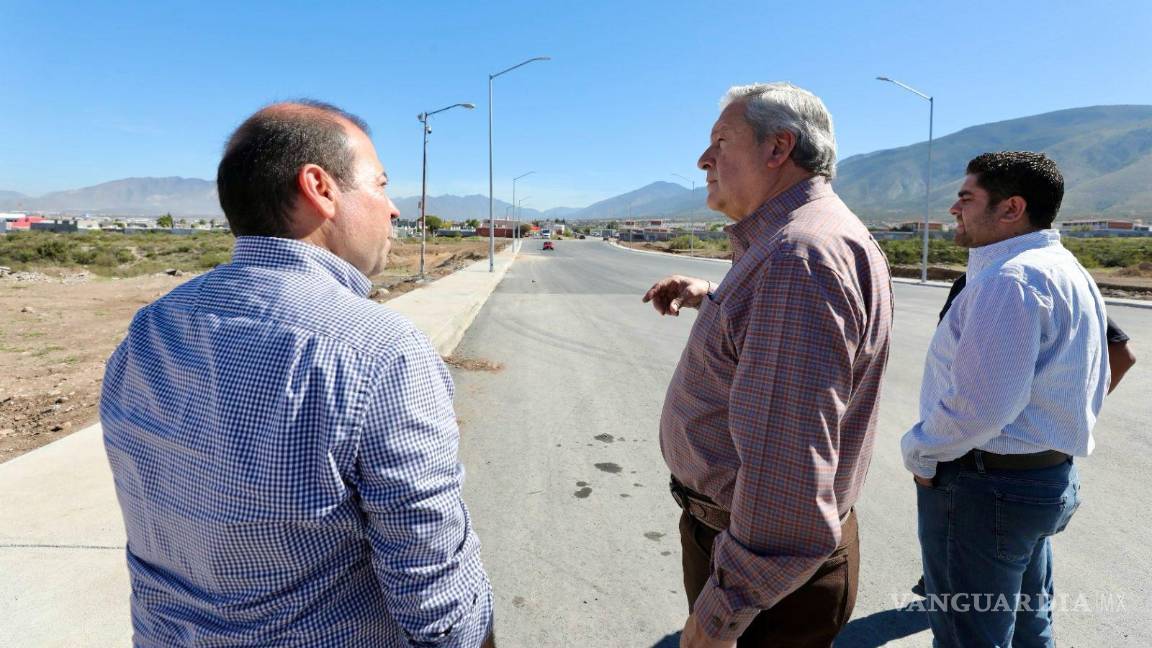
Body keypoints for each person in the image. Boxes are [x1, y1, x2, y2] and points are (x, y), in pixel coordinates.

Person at [101, 101, 494, 647]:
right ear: (320, 188)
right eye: (380, 185)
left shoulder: (149, 331)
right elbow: (433, 586)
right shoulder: (380, 351)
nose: (395, 209)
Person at [643, 82, 893, 647]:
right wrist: (714, 293)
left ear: (778, 148)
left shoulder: (796, 258)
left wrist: (722, 613)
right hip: (771, 563)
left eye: (721, 142)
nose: (704, 160)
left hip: (766, 579)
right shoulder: (804, 241)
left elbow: (787, 470)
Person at [902, 152, 1108, 647]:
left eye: (967, 197)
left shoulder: (1010, 280)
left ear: (1011, 207)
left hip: (987, 489)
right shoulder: (1063, 268)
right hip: (1042, 481)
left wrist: (920, 450)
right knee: (1029, 628)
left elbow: (983, 407)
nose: (954, 208)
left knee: (969, 636)